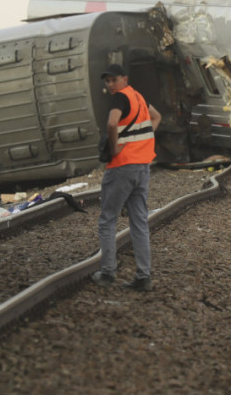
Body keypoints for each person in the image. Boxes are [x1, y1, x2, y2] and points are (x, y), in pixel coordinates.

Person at [93, 64, 162, 292]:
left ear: (125, 79)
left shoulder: (120, 99)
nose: (111, 84)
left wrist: (114, 149)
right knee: (139, 222)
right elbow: (156, 117)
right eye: (107, 81)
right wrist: (140, 139)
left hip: (122, 167)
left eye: (114, 79)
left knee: (107, 220)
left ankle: (107, 272)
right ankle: (143, 276)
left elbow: (112, 123)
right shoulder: (139, 97)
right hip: (142, 166)